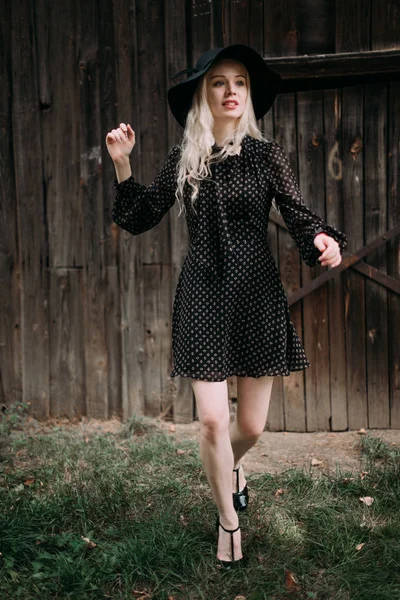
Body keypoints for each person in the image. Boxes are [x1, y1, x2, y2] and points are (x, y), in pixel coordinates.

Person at [105, 44, 348, 569]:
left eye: (240, 82)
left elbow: (300, 215)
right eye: (219, 82)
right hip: (203, 293)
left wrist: (322, 240)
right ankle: (228, 521)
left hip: (256, 293)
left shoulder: (266, 156)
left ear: (249, 95)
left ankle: (229, 469)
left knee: (252, 428)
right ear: (203, 95)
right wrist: (123, 165)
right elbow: (142, 214)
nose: (232, 91)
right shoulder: (185, 158)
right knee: (214, 422)